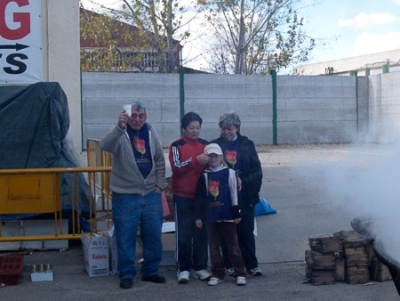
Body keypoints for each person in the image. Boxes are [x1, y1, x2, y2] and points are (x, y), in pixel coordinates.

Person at [100, 102, 166, 289]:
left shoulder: (151, 132)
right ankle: (127, 274)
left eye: (141, 116)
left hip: (151, 194)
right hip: (126, 195)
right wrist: (119, 127)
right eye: (134, 115)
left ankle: (150, 271)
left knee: (153, 235)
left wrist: (160, 186)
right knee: (126, 237)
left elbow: (159, 159)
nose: (137, 119)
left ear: (145, 117)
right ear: (127, 116)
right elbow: (105, 146)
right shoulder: (121, 133)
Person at [212, 112, 263, 277]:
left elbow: (256, 171)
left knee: (246, 232)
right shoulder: (215, 146)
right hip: (223, 197)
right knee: (227, 232)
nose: (226, 132)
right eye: (223, 129)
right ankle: (230, 265)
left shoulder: (247, 144)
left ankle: (252, 265)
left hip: (245, 196)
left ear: (237, 128)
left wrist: (249, 189)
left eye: (230, 129)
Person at [195, 143, 246, 286]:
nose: (212, 158)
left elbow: (235, 193)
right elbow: (199, 197)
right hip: (210, 218)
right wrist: (199, 216)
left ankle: (239, 273)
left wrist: (237, 212)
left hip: (228, 216)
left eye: (215, 156)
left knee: (233, 246)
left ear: (221, 157)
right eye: (209, 156)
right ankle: (217, 273)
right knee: (213, 247)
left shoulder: (230, 173)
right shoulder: (204, 175)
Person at [169, 111, 211, 284]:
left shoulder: (206, 145)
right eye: (191, 127)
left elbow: (214, 165)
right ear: (184, 128)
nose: (195, 131)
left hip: (202, 198)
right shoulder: (176, 145)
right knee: (184, 233)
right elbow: (177, 167)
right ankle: (183, 268)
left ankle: (200, 266)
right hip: (182, 196)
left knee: (201, 233)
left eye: (198, 128)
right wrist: (195, 160)